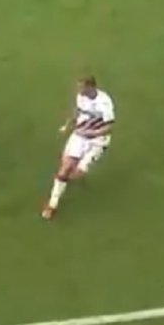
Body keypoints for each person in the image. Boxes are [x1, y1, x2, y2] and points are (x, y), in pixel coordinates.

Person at [41, 76, 115, 220]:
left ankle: (71, 178)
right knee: (64, 170)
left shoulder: (104, 102)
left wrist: (94, 133)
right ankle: (52, 205)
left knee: (75, 174)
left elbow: (110, 126)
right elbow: (77, 112)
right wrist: (67, 125)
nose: (78, 90)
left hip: (97, 142)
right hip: (79, 136)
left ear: (91, 87)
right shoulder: (81, 97)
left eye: (81, 87)